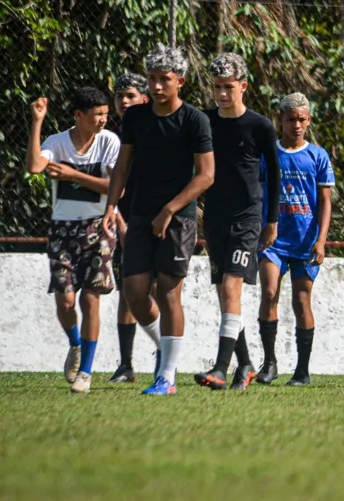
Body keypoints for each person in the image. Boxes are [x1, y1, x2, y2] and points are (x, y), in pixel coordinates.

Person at [103, 44, 214, 396]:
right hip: (138, 213)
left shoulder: (195, 120)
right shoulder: (135, 118)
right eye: (151, 79)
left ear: (180, 81)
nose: (156, 86)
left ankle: (166, 377)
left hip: (178, 219)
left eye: (164, 79)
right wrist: (111, 205)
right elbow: (123, 164)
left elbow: (206, 175)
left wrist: (170, 209)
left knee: (168, 293)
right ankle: (166, 349)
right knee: (134, 293)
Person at [194, 52, 280, 391]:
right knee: (224, 294)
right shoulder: (203, 121)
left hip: (248, 216)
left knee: (232, 287)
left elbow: (273, 173)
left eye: (229, 87)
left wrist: (270, 221)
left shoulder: (260, 125)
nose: (222, 94)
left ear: (243, 86)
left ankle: (220, 367)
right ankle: (245, 364)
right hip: (215, 216)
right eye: (217, 87)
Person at [26, 87, 120, 394]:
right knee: (66, 301)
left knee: (89, 299)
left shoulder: (109, 142)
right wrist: (37, 121)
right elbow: (35, 166)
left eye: (106, 114)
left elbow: (114, 187)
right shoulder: (56, 142)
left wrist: (72, 175)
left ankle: (87, 372)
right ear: (78, 116)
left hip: (99, 228)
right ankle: (75, 344)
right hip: (62, 229)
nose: (103, 120)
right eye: (97, 115)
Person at [256, 93, 335, 387]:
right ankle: (270, 361)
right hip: (273, 240)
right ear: (281, 119)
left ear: (309, 120)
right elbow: (259, 193)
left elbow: (325, 202)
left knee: (302, 302)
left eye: (302, 119)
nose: (297, 125)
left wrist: (321, 240)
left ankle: (302, 370)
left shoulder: (318, 156)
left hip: (305, 241)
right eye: (291, 119)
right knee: (269, 292)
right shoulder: (270, 154)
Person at [107, 73, 153, 384]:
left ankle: (166, 356)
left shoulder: (155, 133)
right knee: (128, 291)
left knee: (163, 290)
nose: (124, 101)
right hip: (126, 224)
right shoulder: (113, 138)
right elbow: (115, 186)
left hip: (158, 220)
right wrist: (120, 222)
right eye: (120, 96)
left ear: (144, 99)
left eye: (131, 96)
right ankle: (126, 365)